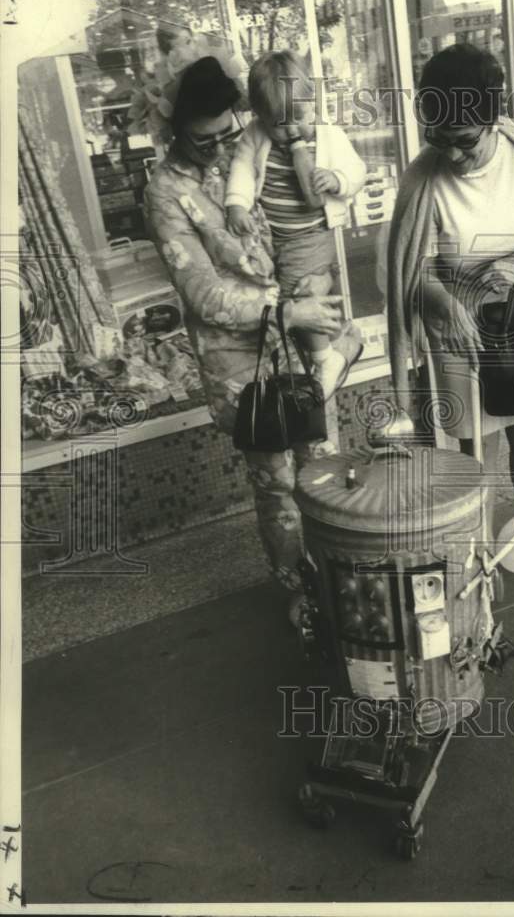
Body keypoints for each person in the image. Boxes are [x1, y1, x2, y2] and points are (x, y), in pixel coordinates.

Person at [143, 55, 362, 620]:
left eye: (227, 133)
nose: (218, 150)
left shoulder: (252, 149)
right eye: (202, 141)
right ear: (173, 133)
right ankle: (302, 593)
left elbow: (309, 210)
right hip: (239, 359)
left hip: (296, 332)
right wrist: (293, 310)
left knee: (323, 462)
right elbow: (205, 297)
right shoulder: (165, 192)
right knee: (277, 482)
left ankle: (342, 571)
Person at [386, 43, 514, 587]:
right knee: (468, 450)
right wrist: (447, 303)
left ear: (493, 118)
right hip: (458, 321)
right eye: (437, 138)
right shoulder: (424, 179)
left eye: (462, 141)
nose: (450, 154)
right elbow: (412, 268)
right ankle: (475, 562)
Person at [225, 50, 366, 398]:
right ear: (259, 116)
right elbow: (242, 169)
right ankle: (338, 343)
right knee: (300, 297)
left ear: (310, 103)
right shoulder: (256, 137)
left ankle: (326, 357)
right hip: (276, 238)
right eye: (278, 122)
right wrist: (237, 204)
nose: (290, 130)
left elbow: (357, 171)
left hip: (312, 234)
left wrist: (336, 180)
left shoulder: (328, 135)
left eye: (297, 117)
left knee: (298, 294)